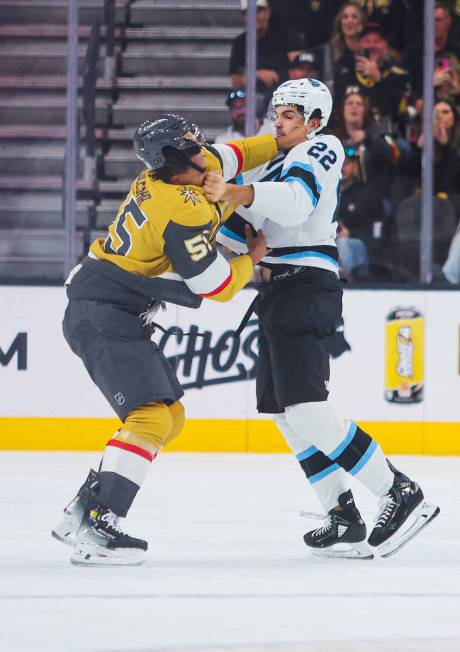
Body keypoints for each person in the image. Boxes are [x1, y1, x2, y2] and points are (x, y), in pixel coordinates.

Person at [205, 78, 439, 559]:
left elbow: (296, 202)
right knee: (287, 416)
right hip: (277, 291)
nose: (280, 122)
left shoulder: (322, 148)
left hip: (306, 286)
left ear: (314, 120)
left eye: (291, 115)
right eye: (277, 114)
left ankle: (399, 489)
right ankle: (342, 515)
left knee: (308, 408)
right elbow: (231, 239)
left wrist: (234, 189)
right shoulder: (273, 164)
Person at [51, 114, 278, 566]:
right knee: (152, 417)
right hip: (102, 312)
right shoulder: (179, 208)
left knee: (170, 416)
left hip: (109, 307)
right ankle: (100, 524)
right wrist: (252, 259)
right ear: (173, 159)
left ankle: (80, 513)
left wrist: (280, 141)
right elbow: (215, 285)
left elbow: (236, 155)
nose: (205, 154)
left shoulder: (176, 172)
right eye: (194, 149)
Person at [229, 0, 304, 92]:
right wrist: (257, 75)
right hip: (252, 97)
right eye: (248, 13)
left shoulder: (287, 36)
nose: (254, 17)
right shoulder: (239, 43)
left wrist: (278, 77)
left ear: (267, 12)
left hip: (285, 94)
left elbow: (301, 72)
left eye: (258, 12)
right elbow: (235, 81)